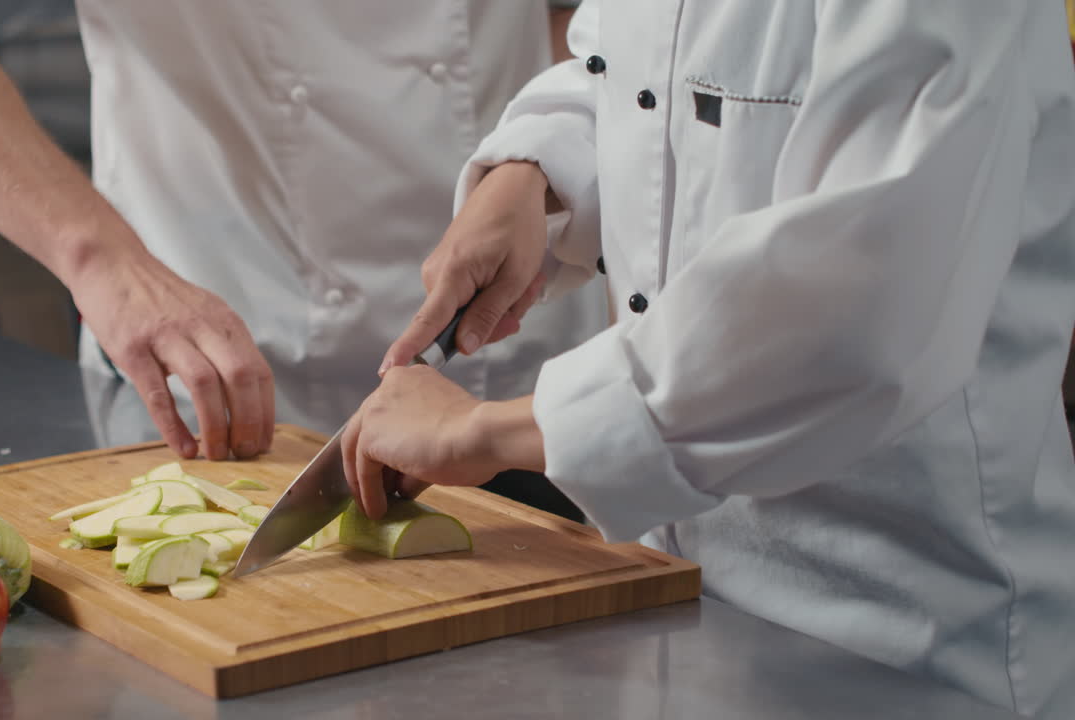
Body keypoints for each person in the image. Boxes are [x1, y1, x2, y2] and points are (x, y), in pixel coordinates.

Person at [341, 2, 1075, 718]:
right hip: (679, 606)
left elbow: (858, 308)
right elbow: (630, 73)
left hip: (900, 635)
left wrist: (483, 433)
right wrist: (531, 169)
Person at [0, 1, 607, 519]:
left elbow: (591, 31)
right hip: (223, 387)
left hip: (525, 369)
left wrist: (540, 166)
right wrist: (99, 259)